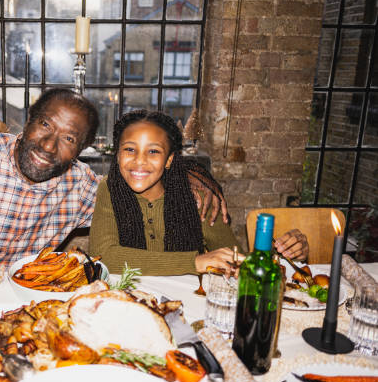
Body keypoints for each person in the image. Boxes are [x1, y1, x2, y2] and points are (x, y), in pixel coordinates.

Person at [0, 89, 228, 272]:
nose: (48, 145)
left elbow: (137, 180)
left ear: (81, 149)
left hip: (7, 298)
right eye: (46, 125)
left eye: (68, 139)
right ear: (28, 120)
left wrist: (187, 172)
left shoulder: (82, 187)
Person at [89, 109, 309, 276]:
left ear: (169, 160)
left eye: (154, 151)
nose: (139, 161)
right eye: (129, 149)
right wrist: (195, 262)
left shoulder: (196, 196)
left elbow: (232, 257)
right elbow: (104, 256)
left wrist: (277, 253)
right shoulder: (110, 188)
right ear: (117, 154)